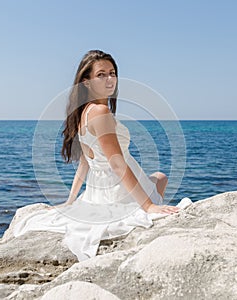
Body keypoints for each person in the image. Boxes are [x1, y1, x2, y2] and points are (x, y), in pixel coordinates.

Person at [13, 50, 187, 261]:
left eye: (112, 73)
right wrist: (149, 206)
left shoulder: (84, 112)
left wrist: (71, 200)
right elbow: (117, 164)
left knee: (159, 177)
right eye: (101, 74)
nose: (109, 79)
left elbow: (85, 162)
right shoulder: (100, 112)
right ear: (86, 82)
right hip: (115, 189)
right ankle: (146, 204)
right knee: (160, 179)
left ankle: (145, 201)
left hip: (97, 190)